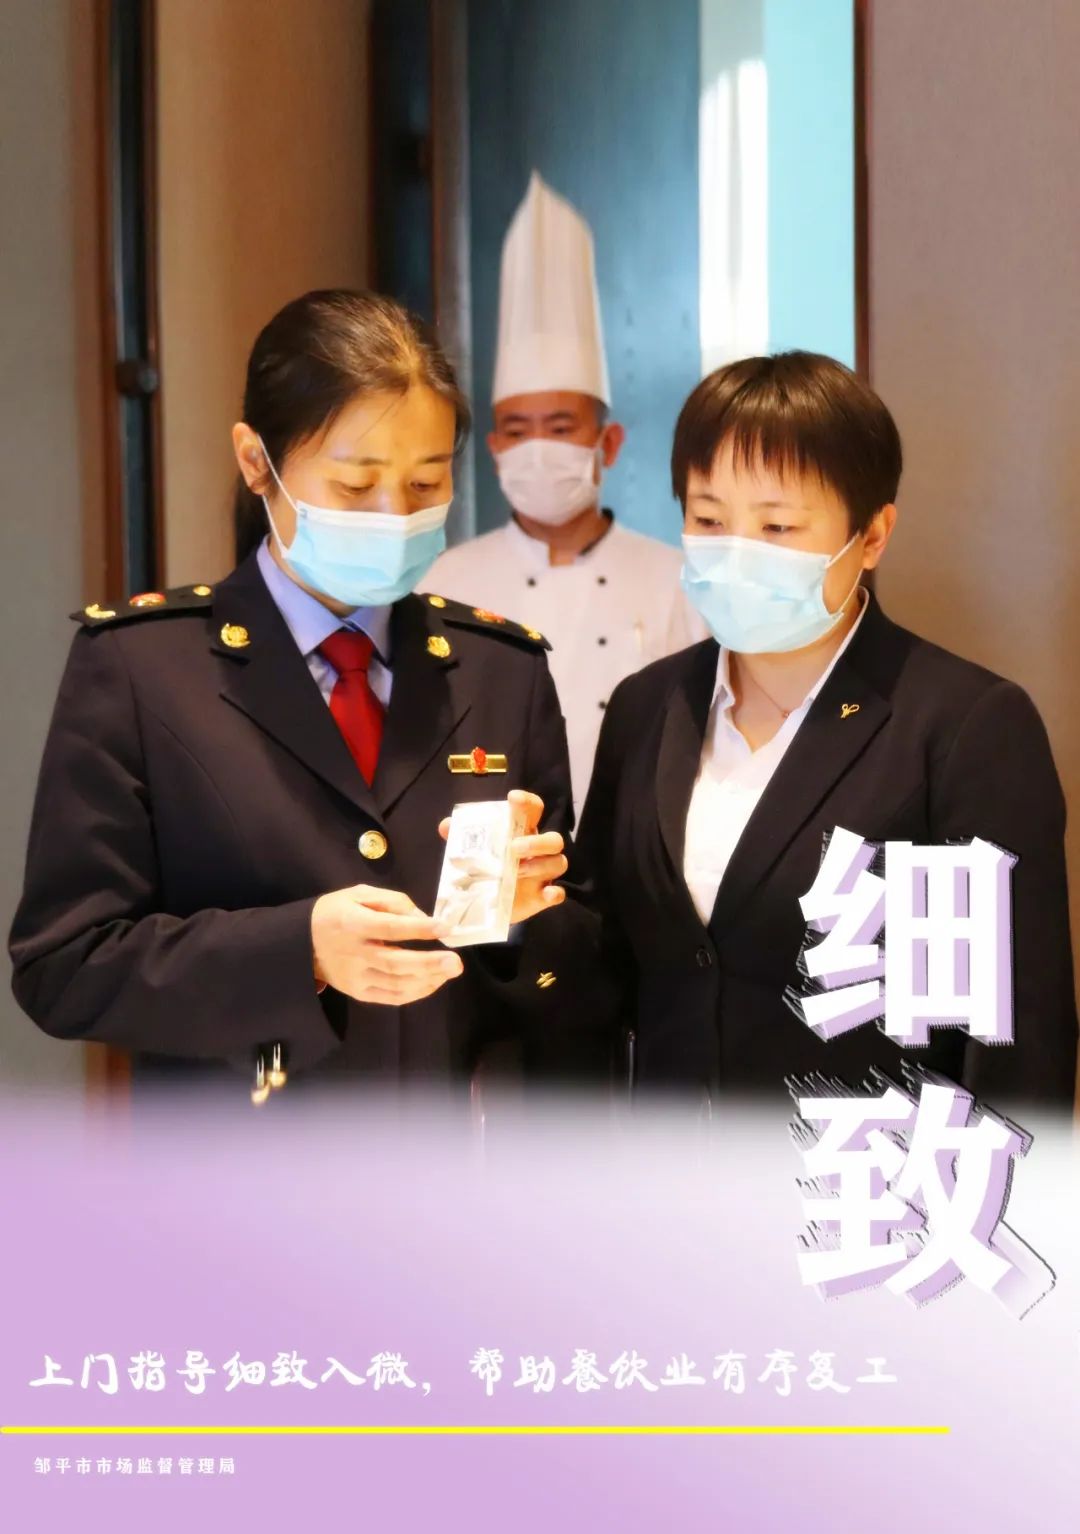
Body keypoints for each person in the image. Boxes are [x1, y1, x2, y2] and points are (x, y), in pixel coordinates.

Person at [9, 289, 607, 1098]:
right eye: (356, 487)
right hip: (237, 1160)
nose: (395, 515)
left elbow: (574, 968)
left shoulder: (499, 669)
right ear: (256, 461)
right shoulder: (142, 668)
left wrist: (525, 920)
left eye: (426, 482)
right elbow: (63, 967)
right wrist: (302, 952)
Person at [574, 351, 1078, 1116]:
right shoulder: (648, 706)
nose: (736, 551)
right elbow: (604, 962)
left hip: (866, 1175)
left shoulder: (962, 725)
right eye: (708, 519)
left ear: (871, 536)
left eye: (777, 525)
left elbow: (1012, 1040)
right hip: (668, 1175)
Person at [427, 172, 704, 813]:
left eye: (559, 428)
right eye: (516, 430)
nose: (538, 448)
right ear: (493, 448)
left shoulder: (681, 582)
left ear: (608, 443)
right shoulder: (443, 582)